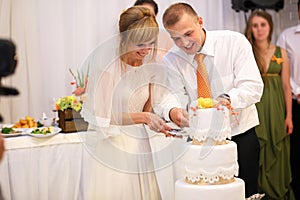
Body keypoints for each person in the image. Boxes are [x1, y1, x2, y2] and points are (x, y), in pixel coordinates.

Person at [159, 3, 264, 198]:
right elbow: (171, 96)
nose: (185, 43)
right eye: (176, 39)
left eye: (188, 34)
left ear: (200, 21)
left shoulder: (234, 42)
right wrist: (174, 111)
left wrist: (225, 100)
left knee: (245, 192)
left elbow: (253, 86)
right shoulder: (171, 60)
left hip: (239, 134)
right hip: (198, 142)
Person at [81, 6, 172, 199]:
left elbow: (149, 108)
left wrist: (157, 122)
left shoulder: (149, 63)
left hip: (141, 145)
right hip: (115, 146)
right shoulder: (108, 67)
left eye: (150, 43)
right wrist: (146, 117)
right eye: (140, 44)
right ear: (124, 38)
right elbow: (106, 116)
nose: (146, 50)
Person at [244, 9, 294, 199]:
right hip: (256, 107)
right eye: (255, 25)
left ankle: (279, 191)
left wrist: (288, 116)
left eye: (263, 24)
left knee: (278, 148)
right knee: (258, 149)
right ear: (250, 28)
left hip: (276, 108)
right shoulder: (247, 51)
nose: (259, 29)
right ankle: (260, 192)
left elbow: (286, 87)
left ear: (270, 26)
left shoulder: (281, 53)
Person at [277, 1, 300, 199]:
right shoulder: (287, 36)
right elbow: (283, 73)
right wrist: (298, 91)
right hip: (295, 101)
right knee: (296, 152)